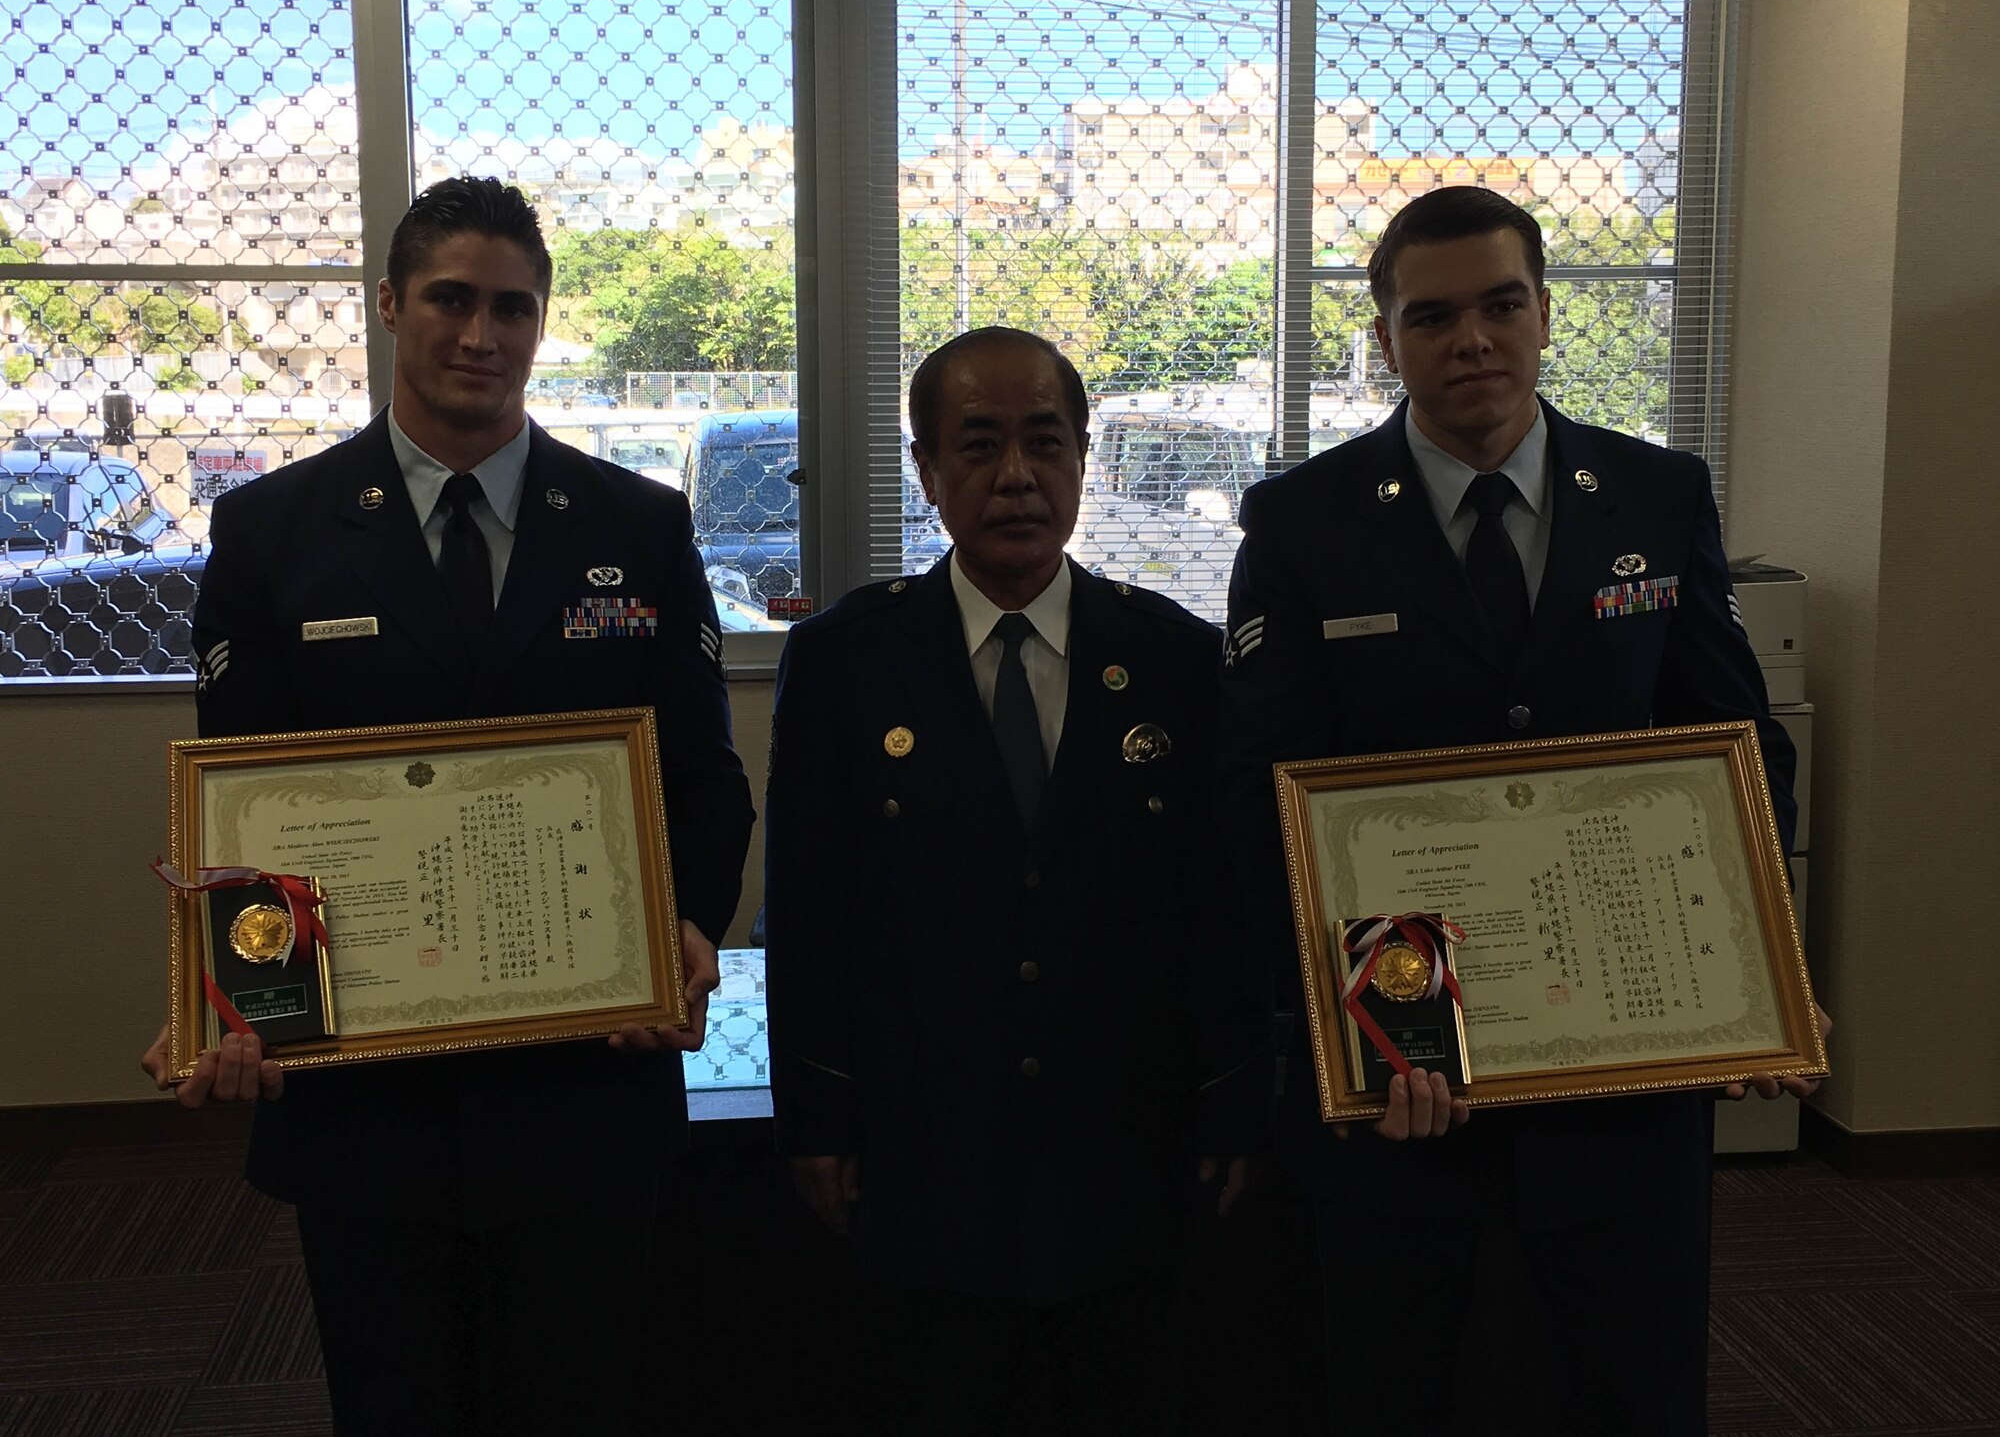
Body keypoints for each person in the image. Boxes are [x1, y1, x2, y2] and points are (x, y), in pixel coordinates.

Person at [140, 176, 755, 1433]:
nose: (481, 336)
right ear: (387, 306)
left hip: (582, 1071)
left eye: (512, 308)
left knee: (578, 1396)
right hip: (372, 1096)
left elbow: (699, 773)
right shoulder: (271, 531)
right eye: (450, 300)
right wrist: (245, 998)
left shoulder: (638, 525)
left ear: (541, 323)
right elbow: (249, 799)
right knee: (394, 1396)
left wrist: (679, 935)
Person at [1217, 186, 1823, 1435]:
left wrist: (1758, 968)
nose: (1471, 341)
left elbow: (1734, 745)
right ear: (1382, 341)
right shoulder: (1301, 520)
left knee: (1627, 1379)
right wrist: (1386, 1024)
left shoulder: (1657, 495)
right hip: (1400, 1072)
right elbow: (1266, 794)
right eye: (1429, 316)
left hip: (1621, 1070)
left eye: (1500, 305)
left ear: (1545, 313)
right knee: (1394, 1382)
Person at [764, 326, 1269, 1432]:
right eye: (978, 445)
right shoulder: (848, 662)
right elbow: (806, 910)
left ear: (1084, 457)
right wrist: (816, 1119)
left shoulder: (1176, 661)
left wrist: (1232, 1101)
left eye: (1045, 443)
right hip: (923, 1144)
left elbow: (1214, 909)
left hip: (1121, 1144)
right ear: (926, 469)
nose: (1015, 477)